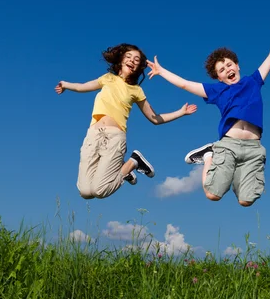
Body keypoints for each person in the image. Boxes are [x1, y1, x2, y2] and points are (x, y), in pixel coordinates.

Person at [146, 26, 270, 206]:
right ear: (219, 78)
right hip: (229, 145)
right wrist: (161, 72)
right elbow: (185, 84)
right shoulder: (217, 90)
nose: (227, 70)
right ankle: (209, 154)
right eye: (222, 70)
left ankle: (234, 175)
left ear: (237, 66)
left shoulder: (253, 81)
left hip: (254, 148)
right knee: (212, 194)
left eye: (229, 65)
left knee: (246, 201)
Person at [55, 43, 197, 199]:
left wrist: (181, 112)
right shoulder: (108, 78)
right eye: (128, 57)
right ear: (121, 61)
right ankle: (122, 169)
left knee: (99, 191)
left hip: (114, 137)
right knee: (85, 192)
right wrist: (65, 84)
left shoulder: (136, 90)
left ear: (138, 67)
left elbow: (155, 119)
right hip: (92, 136)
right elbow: (83, 86)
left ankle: (133, 162)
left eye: (137, 59)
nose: (132, 60)